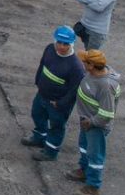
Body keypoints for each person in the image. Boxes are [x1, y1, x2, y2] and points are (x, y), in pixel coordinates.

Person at [21, 26, 85, 162]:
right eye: (59, 42)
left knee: (56, 127)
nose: (61, 46)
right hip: (42, 95)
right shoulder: (50, 49)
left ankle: (50, 152)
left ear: (72, 44)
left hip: (57, 103)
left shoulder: (76, 66)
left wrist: (61, 103)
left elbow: (74, 90)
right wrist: (38, 82)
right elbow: (42, 65)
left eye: (66, 44)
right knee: (37, 114)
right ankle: (39, 137)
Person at [66, 49, 121, 195]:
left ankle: (93, 187)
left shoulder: (105, 86)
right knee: (84, 147)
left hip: (95, 126)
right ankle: (84, 170)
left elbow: (107, 114)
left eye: (85, 62)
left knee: (95, 156)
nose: (82, 63)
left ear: (91, 65)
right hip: (86, 121)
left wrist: (91, 122)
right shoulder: (93, 74)